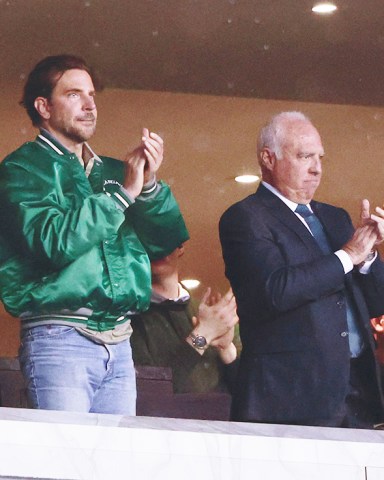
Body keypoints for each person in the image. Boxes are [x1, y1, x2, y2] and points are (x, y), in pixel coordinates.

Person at [0, 54, 189, 415]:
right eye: (74, 94)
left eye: (92, 95)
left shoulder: (116, 172)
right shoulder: (20, 170)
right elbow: (52, 243)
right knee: (67, 465)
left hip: (120, 339)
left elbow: (167, 241)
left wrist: (148, 187)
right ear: (43, 106)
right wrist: (122, 196)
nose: (90, 105)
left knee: (113, 466)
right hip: (59, 335)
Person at [219, 111, 384, 428]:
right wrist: (348, 254)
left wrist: (368, 259)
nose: (317, 168)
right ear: (269, 158)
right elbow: (274, 291)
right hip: (289, 398)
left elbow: (377, 304)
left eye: (320, 157)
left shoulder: (336, 218)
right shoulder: (246, 217)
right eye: (304, 156)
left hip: (357, 394)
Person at [130, 244, 239, 393]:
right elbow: (150, 393)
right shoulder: (128, 318)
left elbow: (249, 395)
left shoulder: (210, 313)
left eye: (165, 239)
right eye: (148, 241)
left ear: (180, 247)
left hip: (218, 414)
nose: (157, 248)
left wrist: (226, 348)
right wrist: (203, 335)